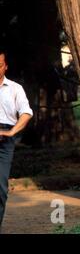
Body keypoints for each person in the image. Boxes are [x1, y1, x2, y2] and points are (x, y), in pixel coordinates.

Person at [0, 50, 33, 230]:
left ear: (5, 66)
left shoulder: (15, 88)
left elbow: (26, 113)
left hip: (4, 139)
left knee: (0, 189)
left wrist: (12, 132)